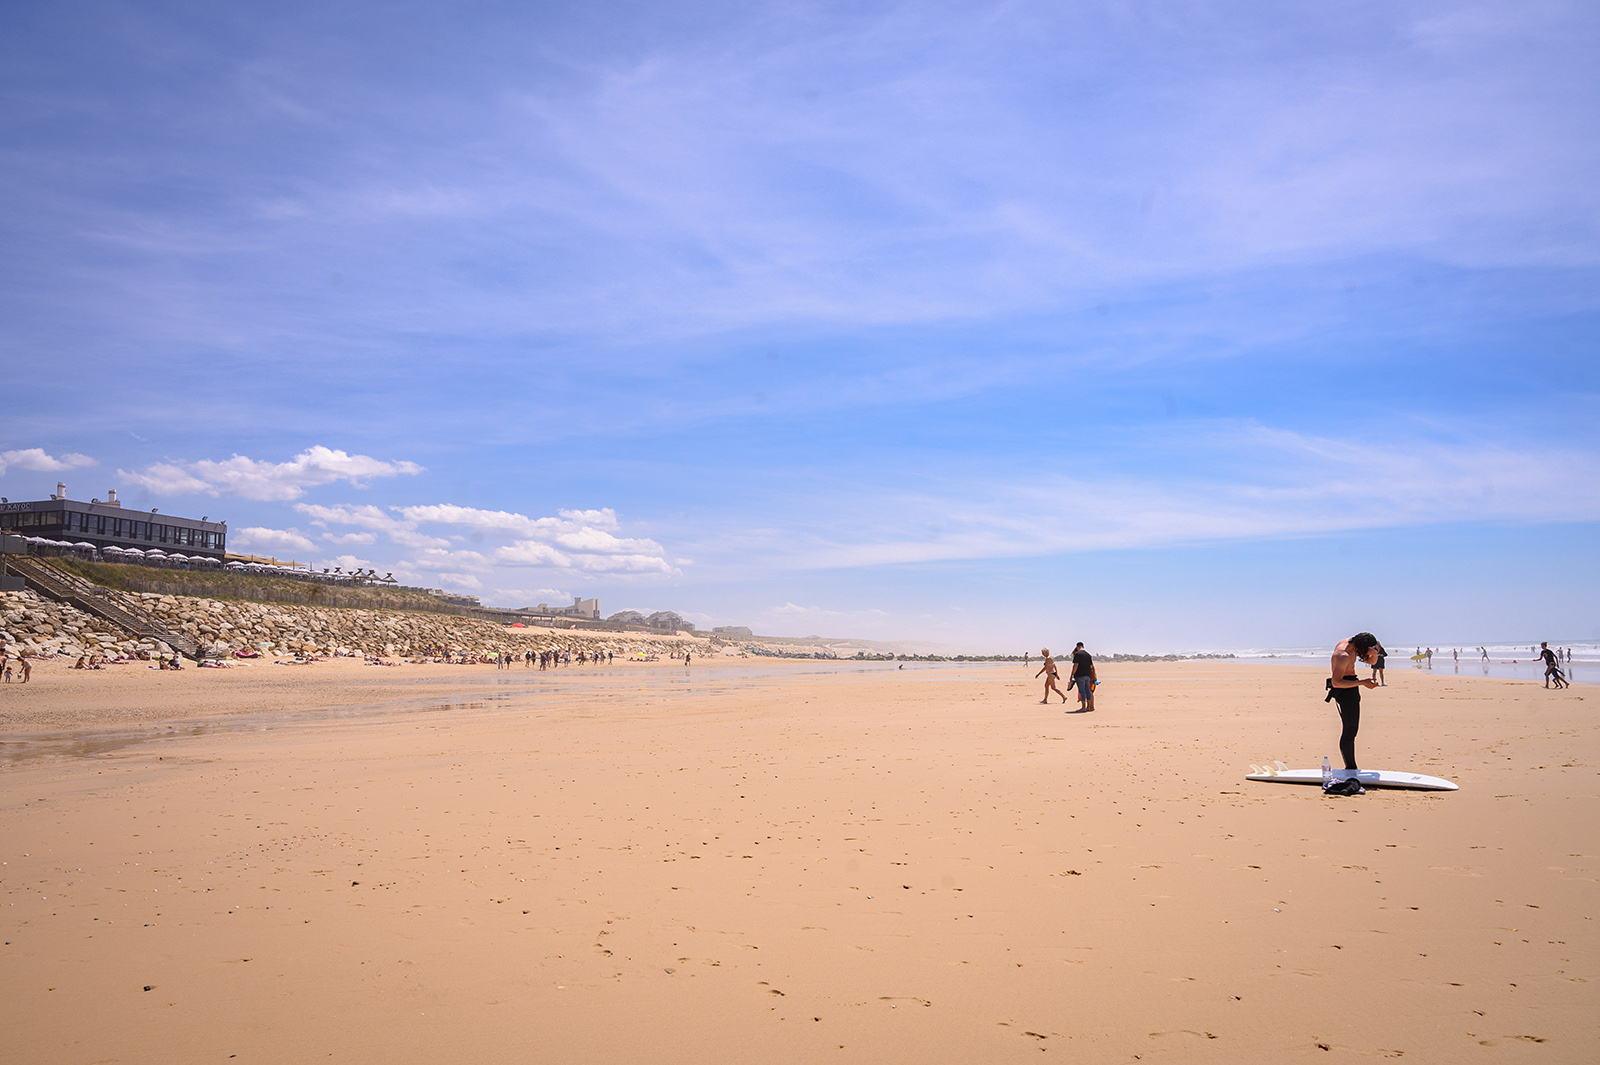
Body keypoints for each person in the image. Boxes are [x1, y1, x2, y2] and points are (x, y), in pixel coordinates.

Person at [1326, 633, 1382, 771]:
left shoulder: (1351, 645)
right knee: (1350, 730)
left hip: (1351, 685)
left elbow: (1371, 662)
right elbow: (1336, 682)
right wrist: (1363, 683)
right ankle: (1351, 767)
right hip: (1344, 690)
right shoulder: (1343, 655)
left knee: (1352, 729)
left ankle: (1351, 766)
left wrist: (1373, 655)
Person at [1069, 642, 1097, 712]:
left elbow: (1075, 665)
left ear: (1077, 647)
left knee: (1082, 691)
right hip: (1088, 675)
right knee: (1088, 690)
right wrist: (1093, 675)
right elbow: (1091, 666)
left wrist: (1072, 674)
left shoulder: (1078, 654)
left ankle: (1083, 707)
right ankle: (1089, 707)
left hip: (1079, 675)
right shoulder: (1088, 655)